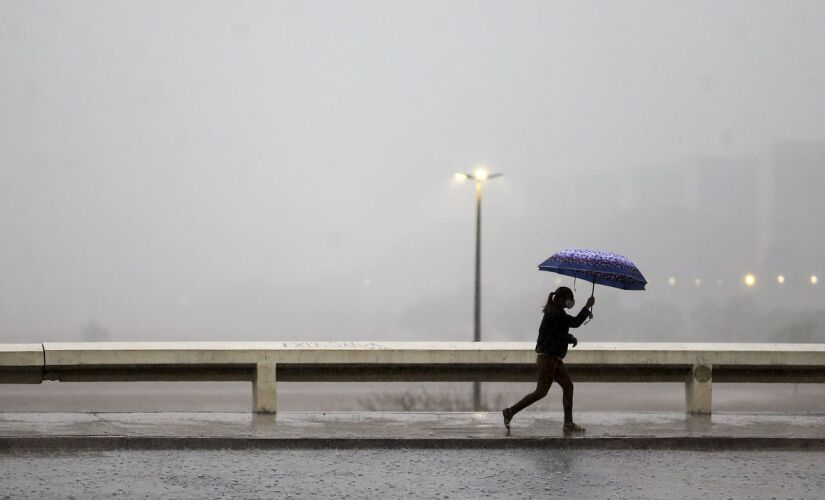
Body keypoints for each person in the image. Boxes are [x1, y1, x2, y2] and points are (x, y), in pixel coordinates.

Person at [502, 286, 594, 433]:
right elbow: (574, 323)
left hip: (553, 359)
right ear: (560, 299)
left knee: (567, 386)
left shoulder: (555, 312)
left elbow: (557, 333)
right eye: (568, 298)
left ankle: (568, 423)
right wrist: (587, 307)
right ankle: (510, 412)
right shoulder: (556, 313)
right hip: (548, 359)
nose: (570, 301)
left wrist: (569, 338)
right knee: (541, 392)